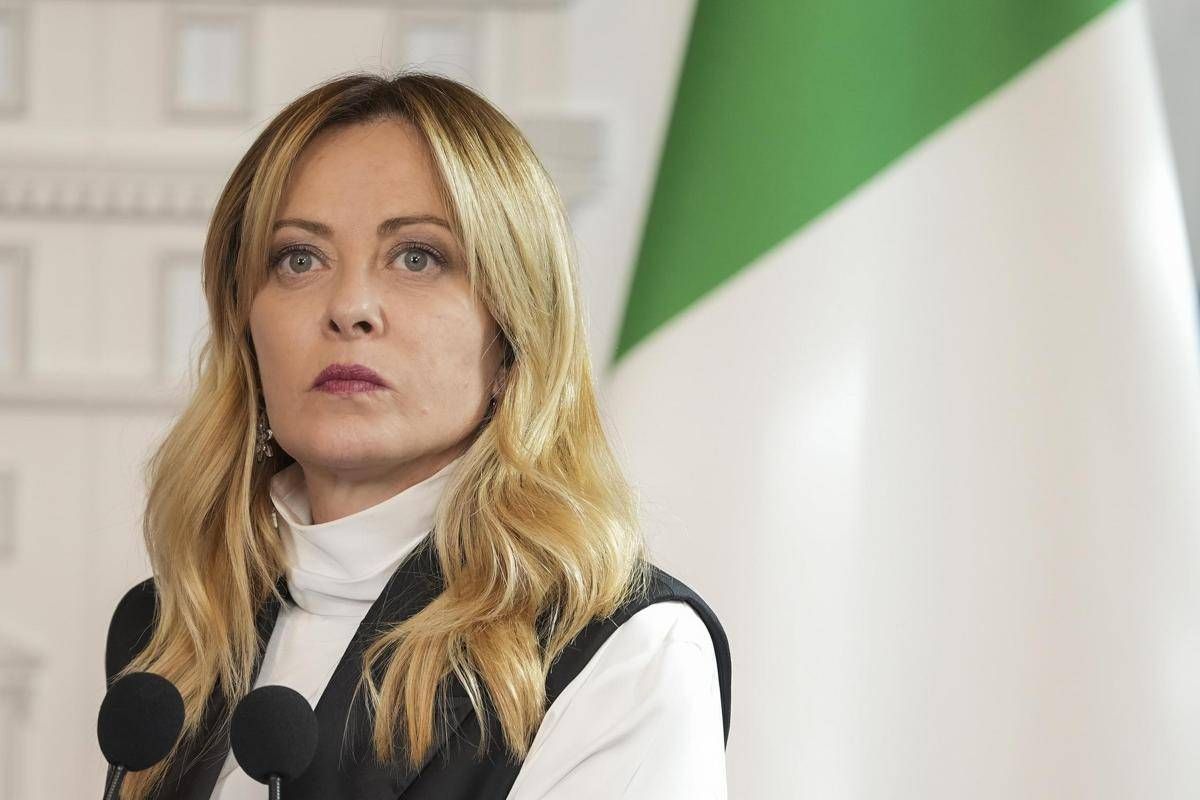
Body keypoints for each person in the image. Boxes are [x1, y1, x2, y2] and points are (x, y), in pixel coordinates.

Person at [103, 71, 731, 800]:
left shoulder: (622, 651)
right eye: (299, 258)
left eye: (417, 257)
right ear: (245, 328)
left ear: (513, 335)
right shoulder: (171, 630)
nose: (350, 307)